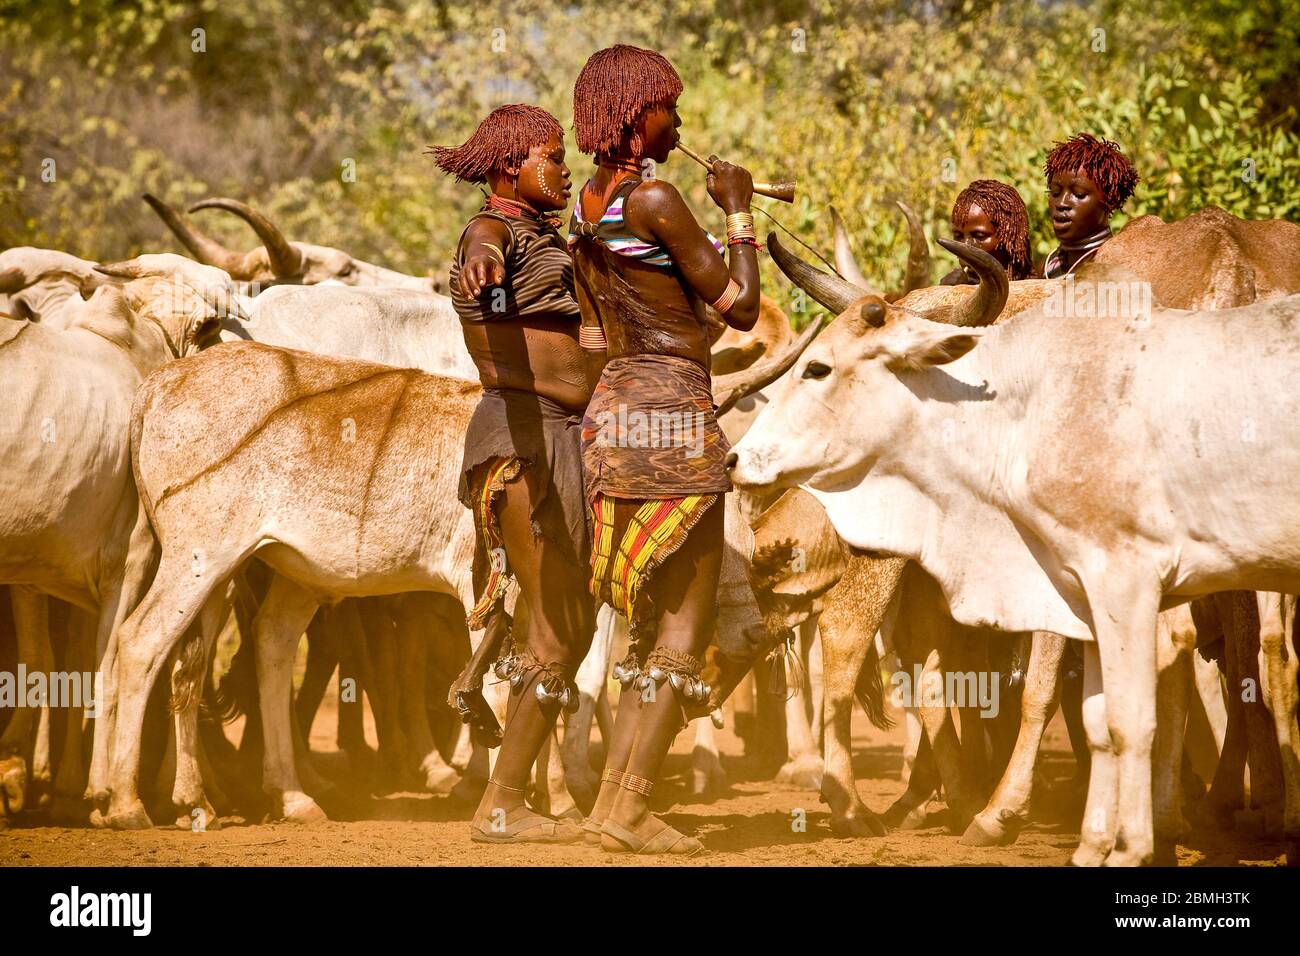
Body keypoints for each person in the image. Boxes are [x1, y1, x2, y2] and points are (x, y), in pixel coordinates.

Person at [567, 44, 761, 855]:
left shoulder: (587, 203)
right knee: (685, 627)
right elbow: (743, 307)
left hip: (613, 410)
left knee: (650, 625)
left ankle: (613, 805)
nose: (678, 122)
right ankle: (631, 809)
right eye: (667, 107)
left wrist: (683, 325)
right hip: (673, 414)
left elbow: (595, 329)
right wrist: (740, 211)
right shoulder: (656, 197)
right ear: (633, 110)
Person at [429, 103, 597, 844]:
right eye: (551, 157)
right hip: (524, 439)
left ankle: (511, 796)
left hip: (565, 438)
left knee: (575, 625)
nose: (563, 169)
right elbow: (480, 250)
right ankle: (502, 804)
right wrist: (483, 265)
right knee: (558, 627)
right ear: (508, 168)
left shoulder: (544, 235)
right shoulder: (492, 232)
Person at [1038, 132, 1139, 278]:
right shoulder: (1046, 267)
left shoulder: (1121, 266)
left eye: (1078, 194)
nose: (1061, 203)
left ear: (1109, 201)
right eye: (1055, 192)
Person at [940, 179, 1034, 284]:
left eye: (979, 237)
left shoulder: (1041, 292)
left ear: (1011, 238)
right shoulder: (958, 288)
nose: (964, 257)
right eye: (958, 237)